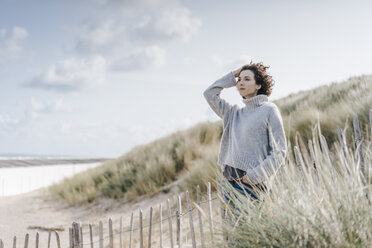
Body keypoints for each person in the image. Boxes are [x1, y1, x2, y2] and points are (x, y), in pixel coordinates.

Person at [203, 61, 287, 219]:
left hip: (250, 184)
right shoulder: (233, 113)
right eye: (239, 79)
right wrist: (232, 74)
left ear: (258, 85)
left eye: (247, 79)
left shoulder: (269, 110)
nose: (240, 82)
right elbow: (209, 93)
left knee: (245, 233)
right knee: (232, 237)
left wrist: (253, 177)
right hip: (228, 181)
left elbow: (280, 151)